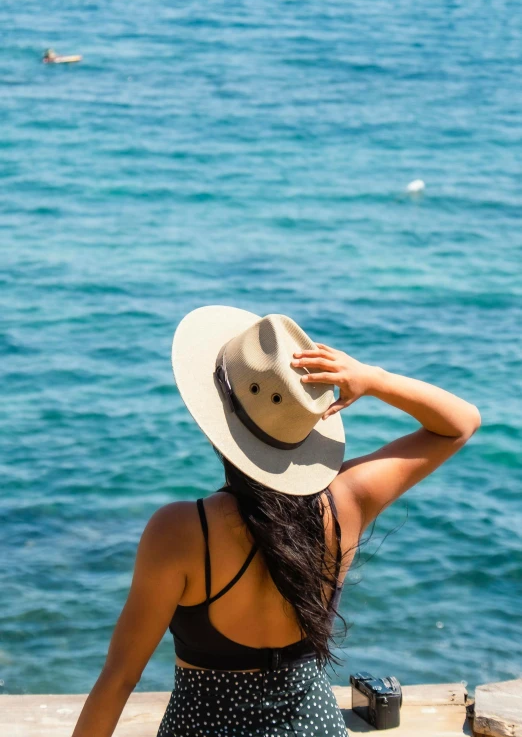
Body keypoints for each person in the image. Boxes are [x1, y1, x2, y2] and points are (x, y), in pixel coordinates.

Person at [71, 305, 481, 737]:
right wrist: (373, 379)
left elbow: (120, 679)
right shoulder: (347, 502)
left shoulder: (182, 530)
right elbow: (459, 424)